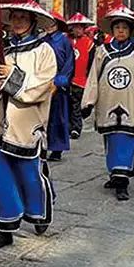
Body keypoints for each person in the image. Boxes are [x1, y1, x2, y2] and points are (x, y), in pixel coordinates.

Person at [0, 0, 58, 250]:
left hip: (26, 122)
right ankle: (4, 226)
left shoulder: (43, 51)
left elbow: (41, 85)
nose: (18, 21)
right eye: (14, 17)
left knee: (28, 173)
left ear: (33, 21)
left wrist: (12, 76)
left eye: (24, 17)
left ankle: (38, 211)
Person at [81, 6, 134, 201]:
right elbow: (93, 79)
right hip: (108, 104)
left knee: (127, 139)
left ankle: (122, 181)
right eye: (117, 27)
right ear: (112, 31)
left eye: (124, 27)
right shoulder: (101, 51)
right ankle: (115, 173)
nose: (121, 30)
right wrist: (88, 102)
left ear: (130, 30)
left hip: (130, 104)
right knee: (111, 140)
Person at [45, 11, 75, 162]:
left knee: (58, 117)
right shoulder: (41, 40)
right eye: (47, 23)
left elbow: (69, 63)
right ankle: (42, 146)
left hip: (58, 84)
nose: (49, 26)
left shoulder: (64, 41)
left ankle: (57, 149)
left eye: (52, 23)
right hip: (42, 84)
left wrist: (60, 81)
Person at [67, 13, 96, 140]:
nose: (77, 30)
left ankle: (76, 127)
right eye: (75, 27)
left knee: (78, 106)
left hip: (82, 80)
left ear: (84, 29)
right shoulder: (67, 42)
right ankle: (73, 128)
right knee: (71, 105)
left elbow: (91, 63)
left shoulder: (89, 44)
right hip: (68, 79)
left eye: (80, 27)